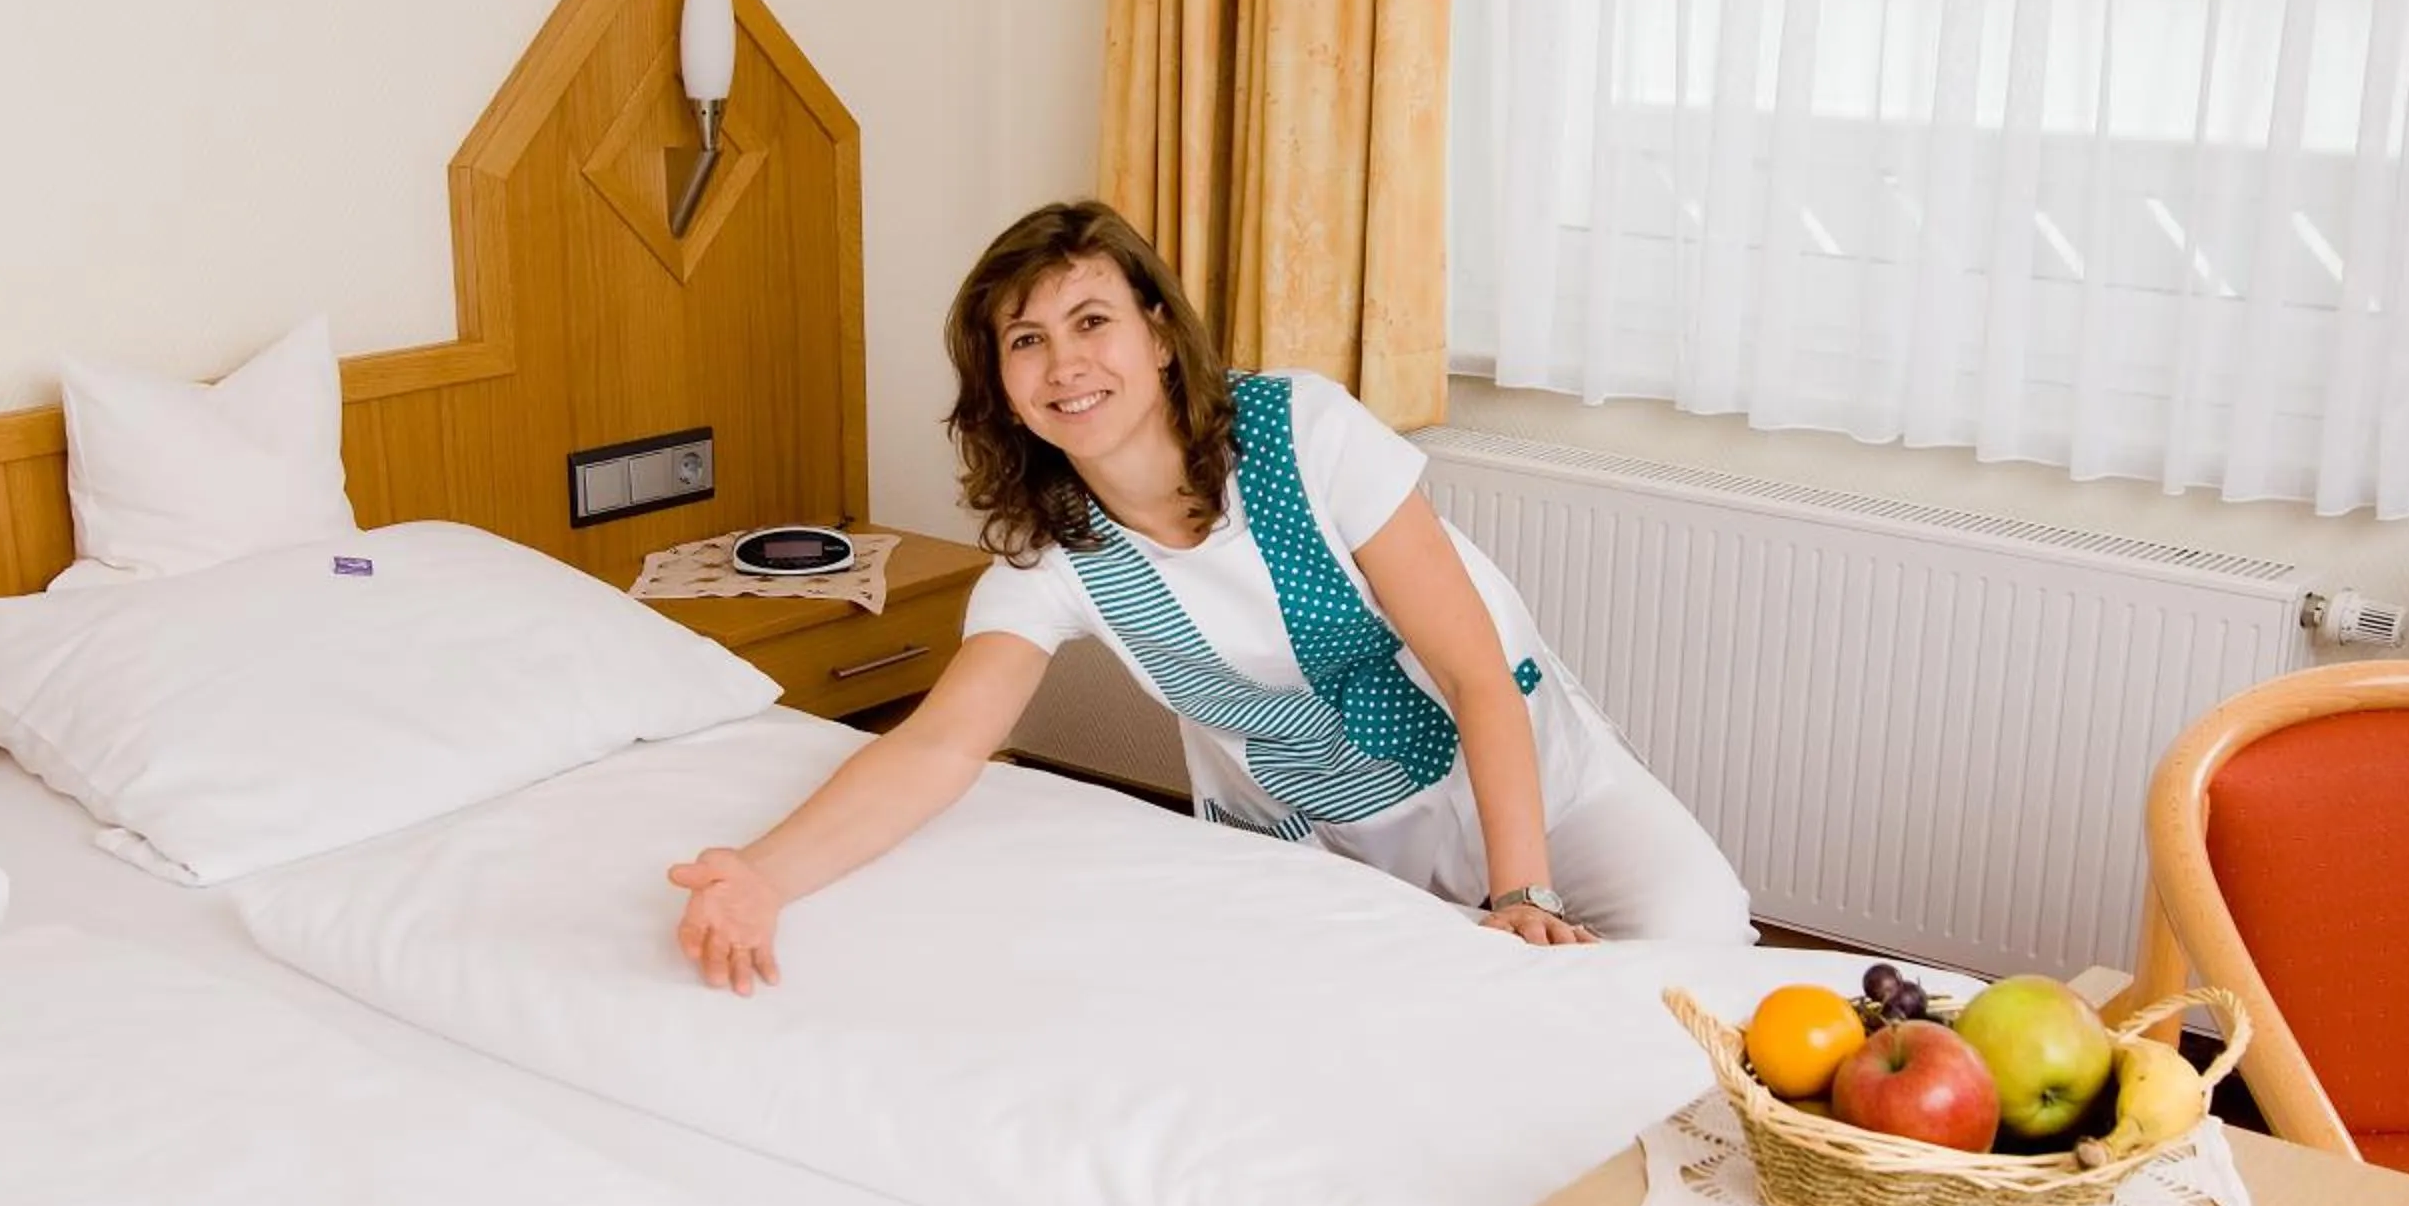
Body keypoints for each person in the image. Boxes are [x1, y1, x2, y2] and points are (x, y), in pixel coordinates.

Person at [669, 201, 1751, 994]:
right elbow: (938, 748)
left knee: (1703, 939)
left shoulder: (1305, 432)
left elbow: (1473, 673)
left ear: (1153, 330)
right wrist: (762, 874)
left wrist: (1523, 895)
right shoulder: (1053, 556)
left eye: (1091, 321)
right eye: (1026, 341)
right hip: (1318, 837)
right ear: (999, 382)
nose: (1065, 364)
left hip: (1526, 781)